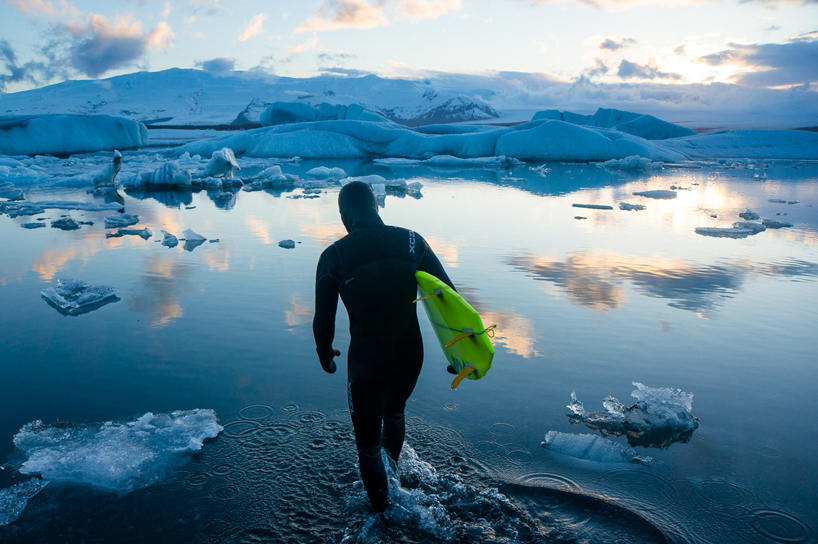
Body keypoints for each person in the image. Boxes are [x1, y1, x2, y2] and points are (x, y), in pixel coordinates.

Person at [313, 181, 454, 513]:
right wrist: (458, 352)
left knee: (367, 448)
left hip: (367, 363)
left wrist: (325, 353)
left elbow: (324, 320)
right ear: (376, 207)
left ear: (344, 215)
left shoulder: (334, 256)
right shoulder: (410, 240)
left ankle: (384, 517)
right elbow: (448, 296)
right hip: (410, 356)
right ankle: (395, 481)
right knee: (394, 412)